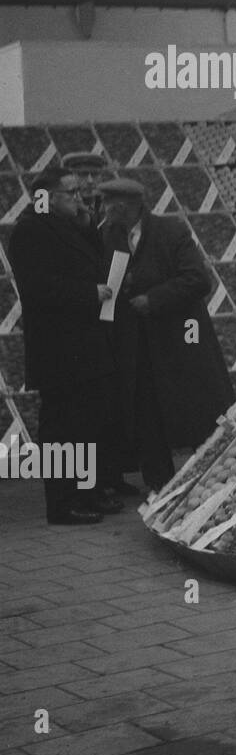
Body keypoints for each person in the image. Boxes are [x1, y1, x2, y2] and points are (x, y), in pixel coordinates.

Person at [99, 178, 234, 492]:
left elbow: (198, 279)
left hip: (179, 340)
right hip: (137, 345)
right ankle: (161, 485)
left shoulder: (170, 232)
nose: (105, 210)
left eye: (110, 204)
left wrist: (154, 298)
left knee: (196, 408)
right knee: (147, 413)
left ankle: (214, 476)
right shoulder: (107, 237)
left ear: (129, 205)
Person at [7, 166, 123, 523]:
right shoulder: (30, 230)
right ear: (46, 196)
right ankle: (62, 504)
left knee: (86, 422)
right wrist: (89, 294)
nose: (79, 198)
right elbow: (40, 288)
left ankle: (86, 494)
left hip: (82, 345)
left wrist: (87, 222)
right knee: (63, 426)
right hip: (60, 349)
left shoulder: (62, 223)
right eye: (71, 193)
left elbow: (90, 260)